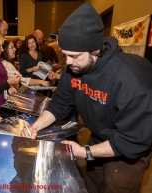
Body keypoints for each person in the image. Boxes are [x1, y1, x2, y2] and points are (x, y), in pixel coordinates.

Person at [22, 3, 152, 193]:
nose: (69, 62)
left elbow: (133, 140)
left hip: (128, 152)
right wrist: (36, 126)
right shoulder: (73, 67)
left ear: (95, 50)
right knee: (92, 186)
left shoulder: (132, 79)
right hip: (98, 136)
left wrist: (85, 152)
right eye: (65, 55)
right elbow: (58, 104)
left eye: (74, 56)